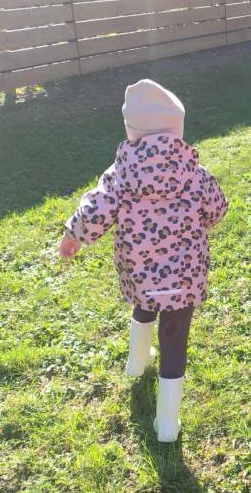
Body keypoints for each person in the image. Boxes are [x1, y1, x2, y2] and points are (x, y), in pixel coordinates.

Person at [59, 79, 227, 442]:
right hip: (184, 275)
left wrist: (74, 235)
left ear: (130, 132)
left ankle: (136, 363)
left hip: (140, 271)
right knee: (174, 336)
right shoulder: (194, 173)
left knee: (145, 301)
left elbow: (96, 210)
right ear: (177, 131)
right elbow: (217, 209)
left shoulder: (120, 174)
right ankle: (167, 423)